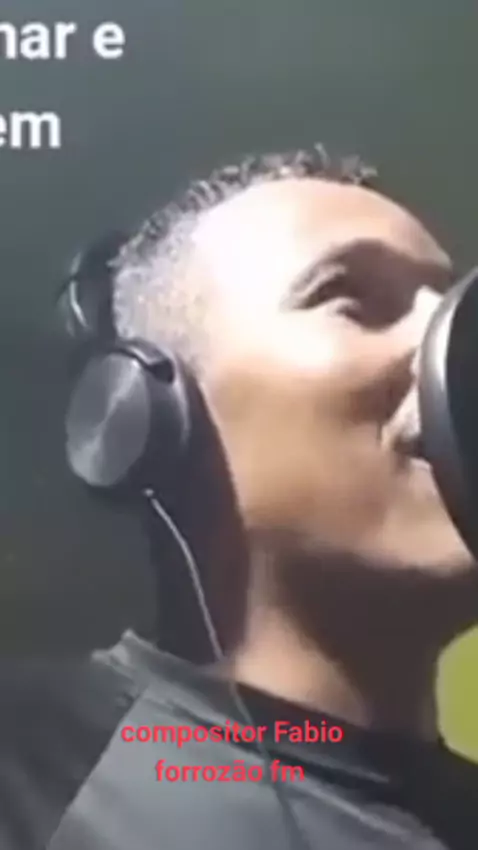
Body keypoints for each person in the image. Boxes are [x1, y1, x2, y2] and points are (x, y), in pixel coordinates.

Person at [2, 144, 478, 850]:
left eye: (450, 306)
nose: (456, 345)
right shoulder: (27, 766)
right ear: (144, 420)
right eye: (350, 300)